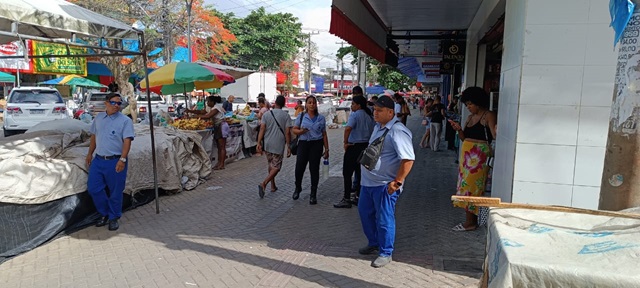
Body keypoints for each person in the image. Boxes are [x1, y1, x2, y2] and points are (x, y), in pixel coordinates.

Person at [358, 95, 415, 268]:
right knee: (365, 214)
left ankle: (386, 252)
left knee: (384, 218)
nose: (375, 113)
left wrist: (397, 182)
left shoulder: (398, 131)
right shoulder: (378, 127)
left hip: (384, 185)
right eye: (374, 109)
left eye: (379, 110)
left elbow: (408, 159)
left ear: (391, 112)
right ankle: (374, 242)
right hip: (367, 183)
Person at [85, 93, 135, 231]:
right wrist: (89, 153)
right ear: (106, 103)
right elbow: (94, 137)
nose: (117, 106)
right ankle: (104, 213)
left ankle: (113, 217)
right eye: (114, 103)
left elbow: (127, 141)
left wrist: (122, 159)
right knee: (94, 188)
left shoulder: (125, 121)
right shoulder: (99, 118)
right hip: (99, 160)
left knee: (115, 191)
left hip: (115, 160)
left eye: (119, 103)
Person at [449, 87, 497, 231]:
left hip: (479, 160)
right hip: (466, 160)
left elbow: (494, 136)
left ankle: (471, 222)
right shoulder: (469, 118)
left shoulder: (488, 115)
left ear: (478, 102)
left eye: (470, 104)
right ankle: (470, 220)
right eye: (467, 105)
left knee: (473, 189)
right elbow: (465, 138)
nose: (468, 107)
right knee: (465, 188)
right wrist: (458, 129)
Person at [334, 95, 374, 209]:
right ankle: (359, 196)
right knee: (360, 173)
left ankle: (346, 198)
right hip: (366, 147)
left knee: (347, 173)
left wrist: (345, 142)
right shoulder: (369, 115)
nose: (351, 106)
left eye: (353, 104)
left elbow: (348, 128)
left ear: (358, 105)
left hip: (354, 147)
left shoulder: (355, 115)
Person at [292, 96, 329, 205]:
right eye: (310, 103)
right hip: (303, 144)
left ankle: (313, 193)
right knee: (299, 168)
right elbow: (294, 129)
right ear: (306, 104)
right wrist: (301, 131)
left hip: (316, 144)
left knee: (314, 169)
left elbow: (324, 134)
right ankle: (298, 187)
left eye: (314, 103)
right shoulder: (302, 116)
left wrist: (327, 149)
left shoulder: (321, 118)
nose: (312, 105)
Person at [256, 96, 292, 198]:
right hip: (278, 144)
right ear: (284, 104)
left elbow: (262, 128)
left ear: (275, 102)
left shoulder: (266, 114)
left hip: (267, 144)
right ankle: (264, 183)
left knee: (271, 164)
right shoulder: (285, 116)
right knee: (277, 167)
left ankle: (273, 185)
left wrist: (259, 142)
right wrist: (288, 146)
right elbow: (288, 132)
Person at [187, 96, 228, 170]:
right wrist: (190, 111)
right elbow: (201, 112)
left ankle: (222, 164)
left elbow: (208, 116)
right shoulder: (209, 108)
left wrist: (194, 117)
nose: (207, 103)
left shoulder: (216, 108)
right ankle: (219, 163)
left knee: (222, 146)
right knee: (219, 146)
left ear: (212, 102)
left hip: (221, 126)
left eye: (208, 101)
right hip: (217, 126)